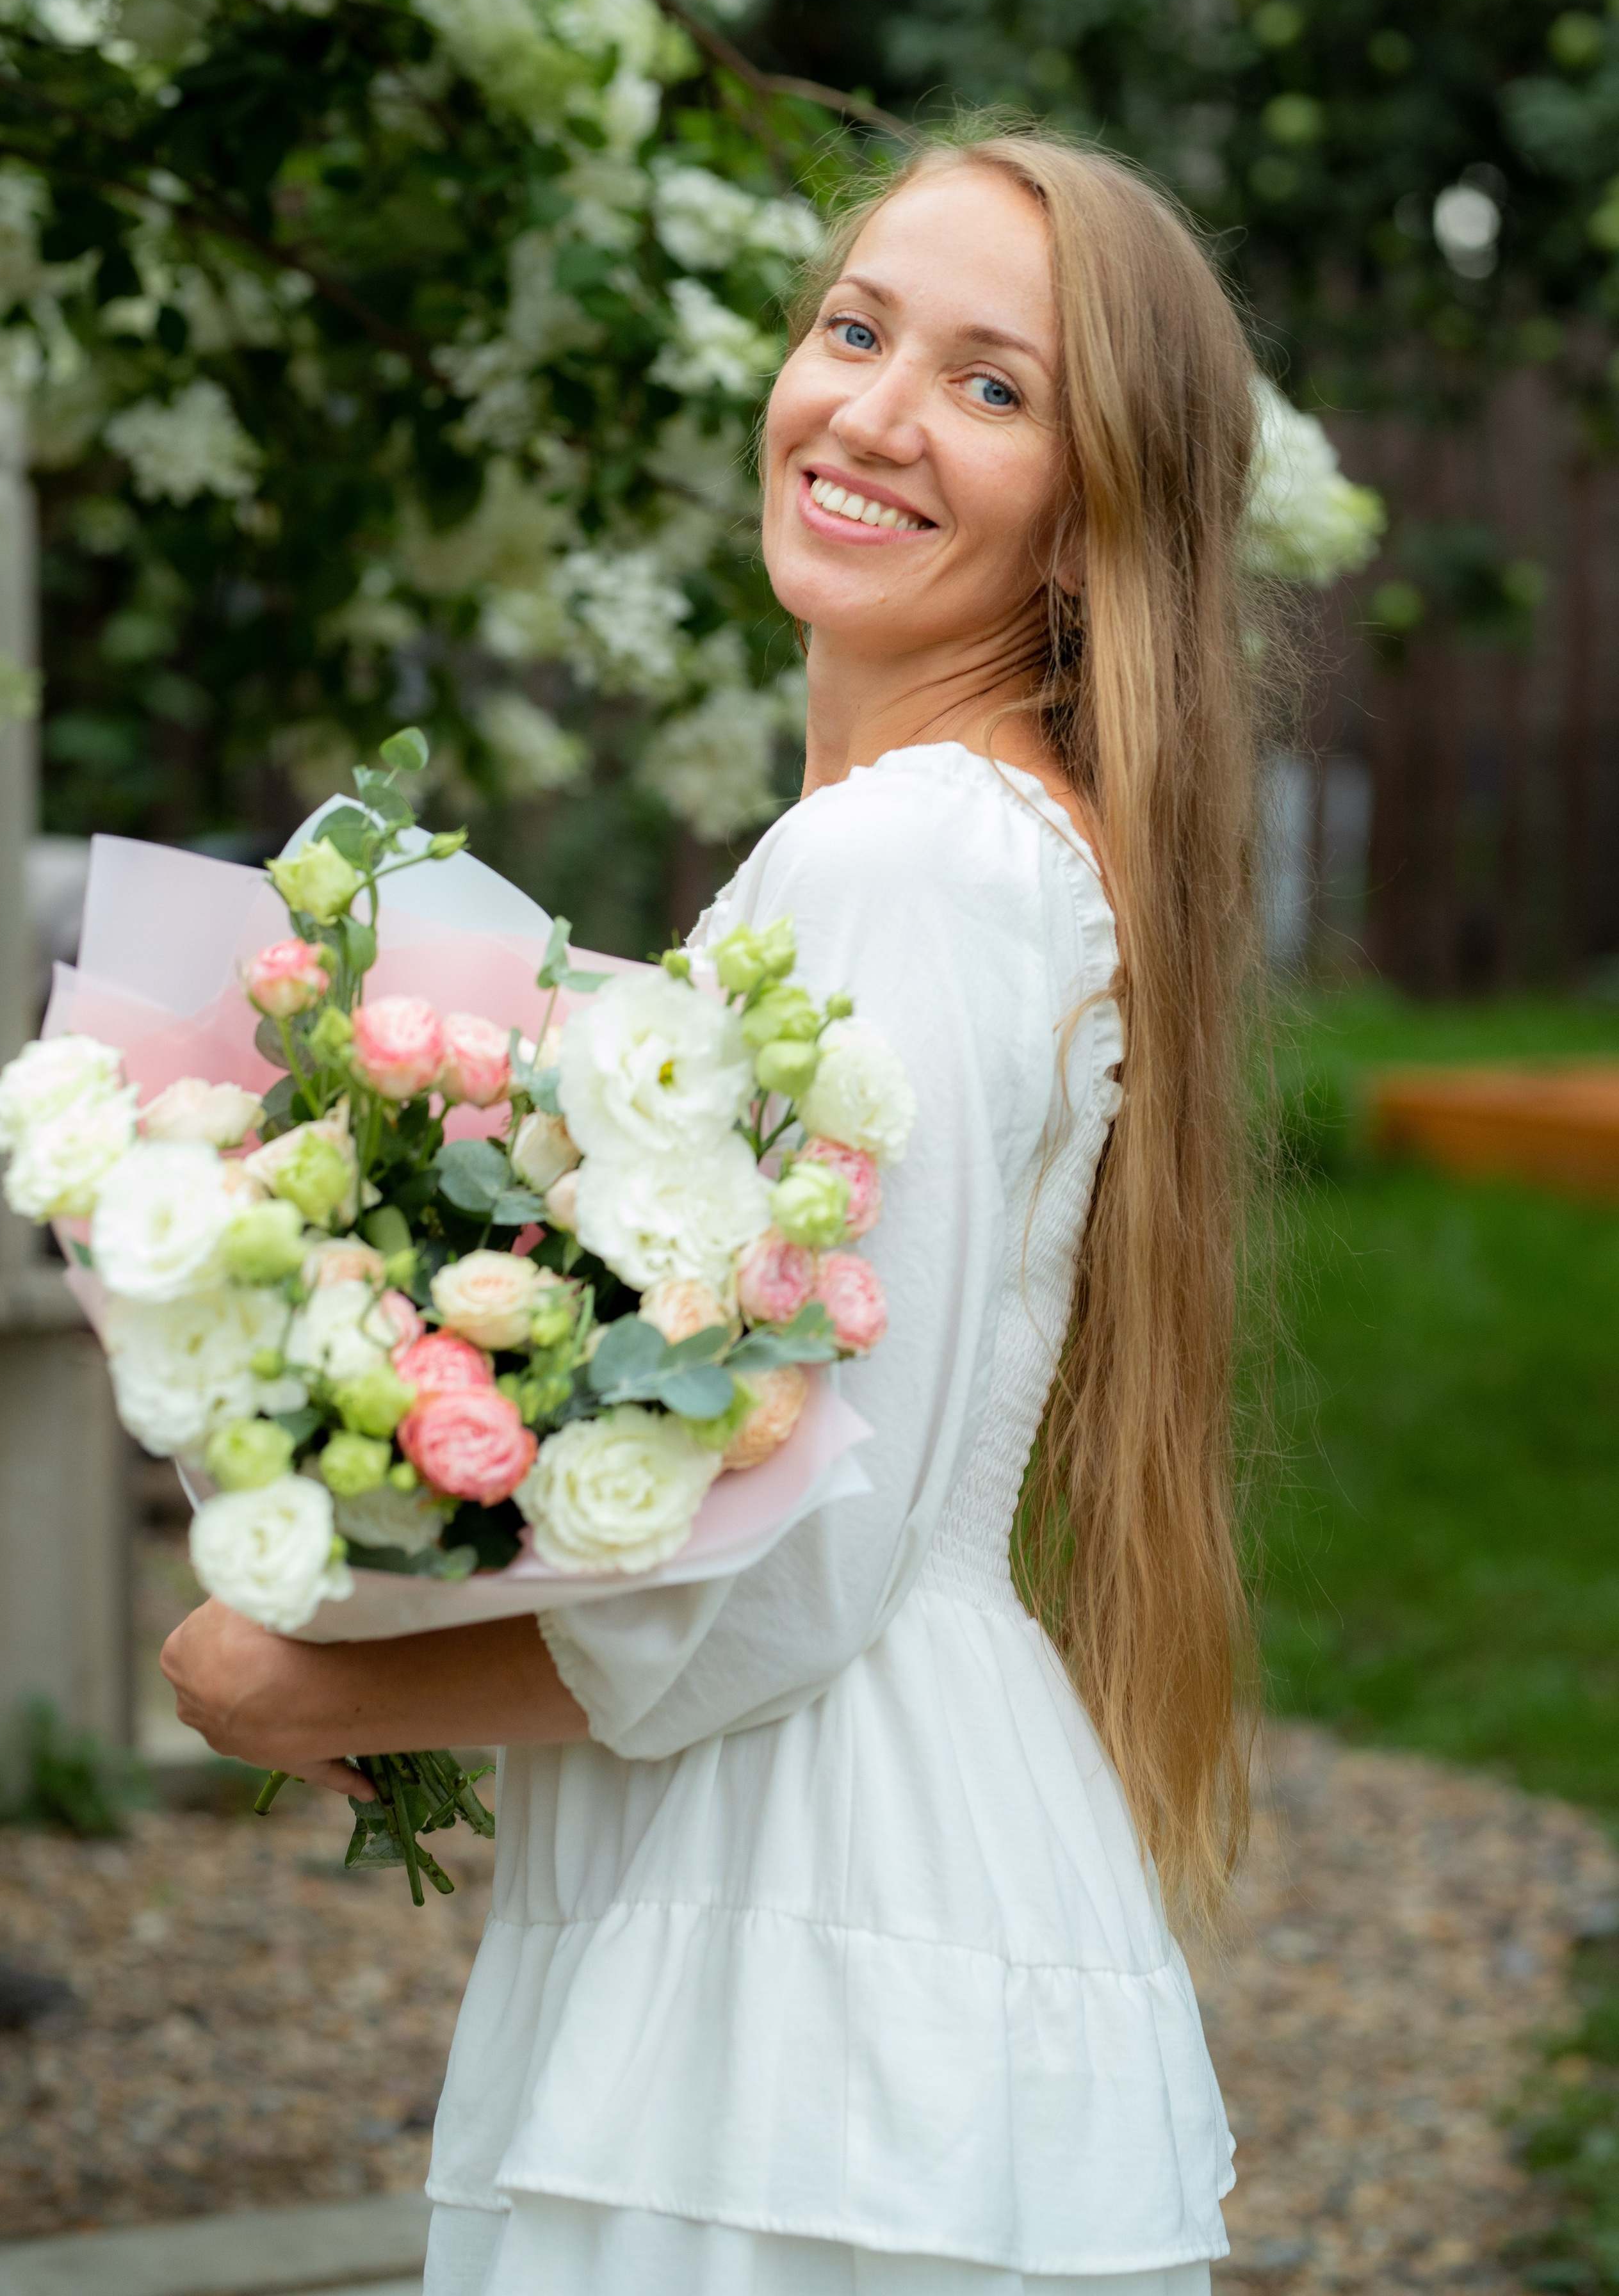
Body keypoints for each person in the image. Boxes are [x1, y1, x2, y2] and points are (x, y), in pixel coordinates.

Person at [163, 126, 1265, 2295]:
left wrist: (327, 1682)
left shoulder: (919, 862)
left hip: (815, 1935)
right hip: (801, 1864)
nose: (867, 413)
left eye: (989, 385)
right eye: (855, 330)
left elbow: (806, 1557)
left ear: (1092, 518)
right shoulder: (932, 847)